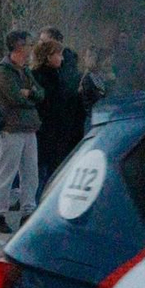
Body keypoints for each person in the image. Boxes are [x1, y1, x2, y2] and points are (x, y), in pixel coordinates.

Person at [0, 30, 44, 235]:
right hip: (11, 128)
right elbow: (15, 98)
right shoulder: (4, 72)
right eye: (28, 45)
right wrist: (29, 96)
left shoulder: (25, 71)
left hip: (29, 127)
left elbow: (39, 93)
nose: (30, 49)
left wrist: (30, 93)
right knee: (6, 172)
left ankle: (27, 211)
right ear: (17, 47)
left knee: (31, 172)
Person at [33, 38, 86, 186]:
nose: (61, 58)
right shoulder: (38, 76)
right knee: (41, 170)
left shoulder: (59, 76)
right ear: (48, 57)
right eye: (58, 54)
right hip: (44, 131)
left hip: (58, 132)